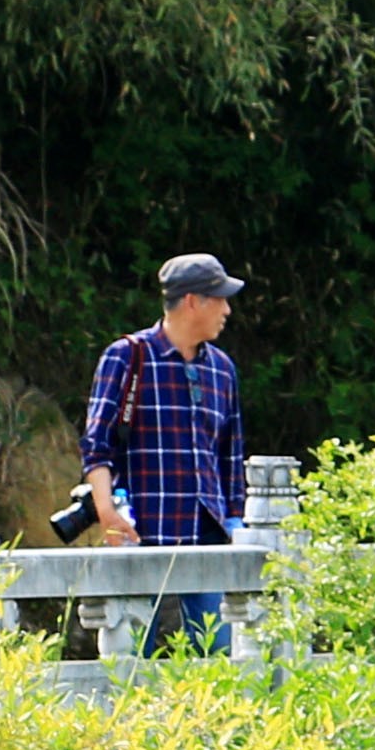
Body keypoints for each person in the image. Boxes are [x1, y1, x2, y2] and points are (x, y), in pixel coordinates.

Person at [79, 252, 249, 653]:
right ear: (193, 301)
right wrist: (106, 511)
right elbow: (96, 442)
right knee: (131, 658)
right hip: (141, 529)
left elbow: (230, 455)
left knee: (222, 655)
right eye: (219, 298)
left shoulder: (222, 369)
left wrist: (236, 525)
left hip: (207, 535)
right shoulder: (128, 356)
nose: (227, 309)